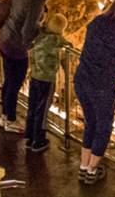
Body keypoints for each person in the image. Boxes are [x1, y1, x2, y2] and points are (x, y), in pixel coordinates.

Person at [74, 0, 115, 184]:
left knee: (91, 123)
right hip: (101, 84)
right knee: (103, 127)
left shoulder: (97, 21)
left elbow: (89, 47)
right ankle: (92, 170)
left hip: (82, 78)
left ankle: (84, 166)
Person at [0, 0, 60, 133]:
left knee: (9, 81)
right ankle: (10, 120)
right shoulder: (36, 0)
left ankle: (4, 115)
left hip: (4, 37)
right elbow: (28, 29)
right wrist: (34, 43)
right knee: (15, 83)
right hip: (15, 46)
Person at [24, 13, 67, 152]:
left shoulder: (40, 35)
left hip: (35, 76)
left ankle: (29, 137)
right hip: (47, 80)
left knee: (32, 106)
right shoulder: (56, 40)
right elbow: (67, 44)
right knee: (42, 110)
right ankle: (38, 140)